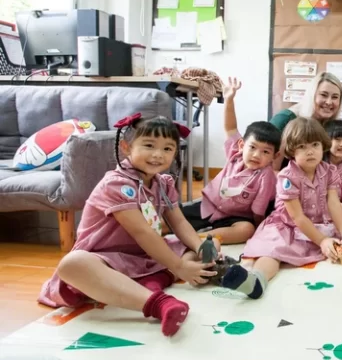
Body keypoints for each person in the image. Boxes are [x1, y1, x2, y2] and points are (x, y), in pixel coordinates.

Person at [38, 115, 218, 337]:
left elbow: (179, 221)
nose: (157, 155)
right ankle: (158, 302)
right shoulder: (117, 184)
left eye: (167, 149)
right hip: (106, 259)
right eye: (149, 145)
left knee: (204, 245)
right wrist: (179, 267)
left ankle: (146, 283)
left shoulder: (163, 183)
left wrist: (200, 248)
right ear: (126, 147)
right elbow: (141, 231)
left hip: (143, 255)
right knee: (72, 265)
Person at [221, 117, 342, 299]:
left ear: (323, 146)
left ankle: (334, 240)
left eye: (315, 144)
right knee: (271, 251)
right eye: (302, 146)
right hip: (288, 226)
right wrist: (322, 241)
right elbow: (297, 217)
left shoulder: (329, 171)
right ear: (291, 150)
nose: (310, 151)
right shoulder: (287, 176)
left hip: (320, 222)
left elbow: (333, 203)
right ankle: (255, 281)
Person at [182, 77, 281, 244]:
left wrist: (258, 230)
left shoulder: (266, 176)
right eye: (252, 148)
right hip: (209, 206)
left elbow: (258, 211)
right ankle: (154, 232)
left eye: (265, 152)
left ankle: (198, 239)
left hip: (236, 218)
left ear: (274, 156)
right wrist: (229, 98)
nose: (257, 155)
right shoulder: (235, 153)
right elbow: (230, 128)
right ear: (242, 145)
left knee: (246, 230)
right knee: (175, 217)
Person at [270, 72, 342, 170]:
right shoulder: (285, 119)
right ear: (312, 95)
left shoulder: (331, 127)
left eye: (335, 97)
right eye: (323, 95)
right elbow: (269, 169)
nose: (329, 102)